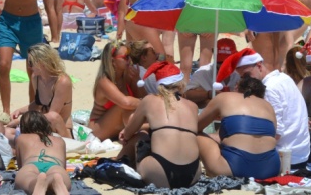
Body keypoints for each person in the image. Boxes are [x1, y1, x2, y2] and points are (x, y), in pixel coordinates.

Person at [117, 61, 201, 189]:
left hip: (161, 172)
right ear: (180, 84)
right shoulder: (193, 106)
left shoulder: (149, 100)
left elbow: (129, 132)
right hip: (193, 174)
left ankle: (120, 161)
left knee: (141, 137)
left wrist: (126, 134)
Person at [196, 75, 280, 179]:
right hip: (271, 168)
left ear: (237, 87)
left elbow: (196, 126)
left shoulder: (225, 97)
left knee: (195, 134)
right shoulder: (268, 106)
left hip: (234, 168)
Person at [10, 45, 73, 137]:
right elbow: (38, 103)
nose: (28, 66)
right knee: (7, 132)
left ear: (42, 63)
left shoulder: (62, 82)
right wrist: (19, 111)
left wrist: (21, 121)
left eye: (31, 63)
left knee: (52, 116)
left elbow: (53, 115)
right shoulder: (35, 77)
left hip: (60, 129)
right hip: (42, 125)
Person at [89, 42, 141, 141]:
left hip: (118, 126)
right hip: (98, 129)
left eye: (130, 56)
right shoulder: (104, 82)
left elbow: (139, 96)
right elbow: (126, 102)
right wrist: (147, 103)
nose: (130, 60)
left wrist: (136, 80)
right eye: (126, 57)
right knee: (123, 106)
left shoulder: (126, 76)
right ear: (112, 61)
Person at [14, 111, 71, 195]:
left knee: (28, 180)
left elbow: (20, 166)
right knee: (60, 175)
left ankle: (35, 185)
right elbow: (63, 167)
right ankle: (54, 181)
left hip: (31, 164)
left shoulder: (21, 138)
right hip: (55, 165)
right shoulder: (60, 140)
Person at [184, 38, 240, 107]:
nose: (224, 66)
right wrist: (209, 94)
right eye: (220, 62)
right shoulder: (203, 73)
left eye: (228, 62)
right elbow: (186, 94)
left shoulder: (240, 72)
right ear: (214, 56)